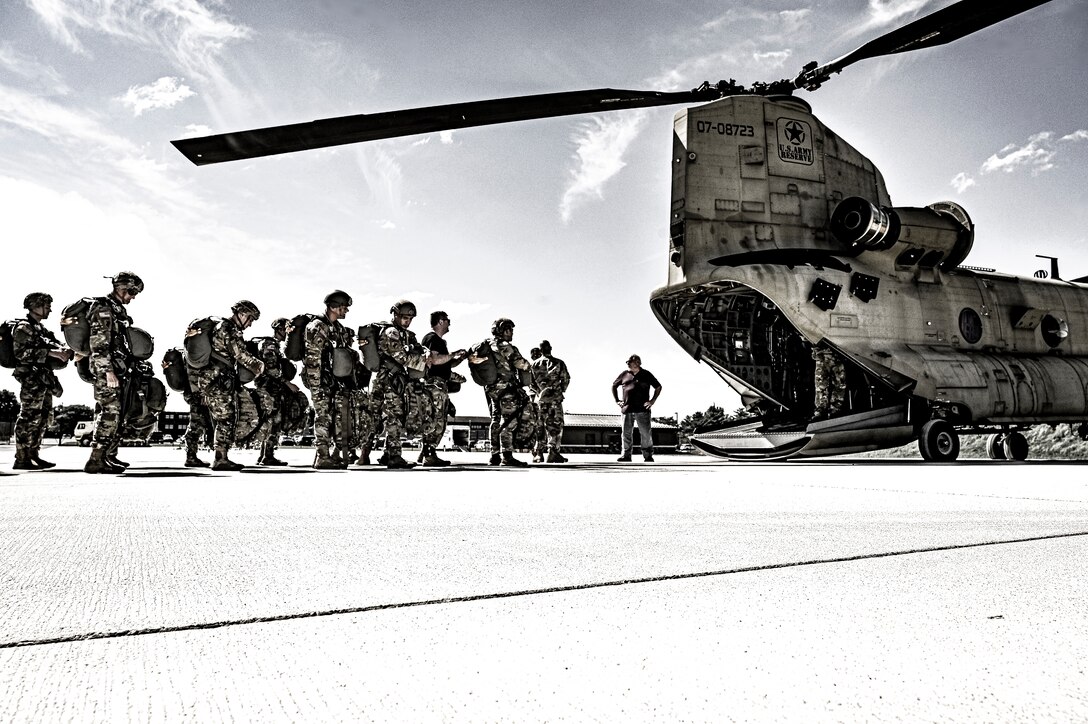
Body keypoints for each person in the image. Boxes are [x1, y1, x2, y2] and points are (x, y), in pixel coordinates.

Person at [187, 300, 266, 471]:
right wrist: (258, 366)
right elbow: (239, 354)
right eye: (250, 319)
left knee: (221, 417)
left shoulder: (223, 327)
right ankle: (220, 458)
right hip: (217, 380)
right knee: (225, 418)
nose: (250, 324)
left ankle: (219, 456)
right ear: (242, 314)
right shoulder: (229, 328)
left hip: (215, 379)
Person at [374, 300, 453, 469]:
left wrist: (424, 353)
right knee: (393, 415)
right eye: (404, 317)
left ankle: (388, 453)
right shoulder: (391, 333)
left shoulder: (407, 334)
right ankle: (394, 456)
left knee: (396, 415)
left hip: (398, 380)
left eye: (410, 318)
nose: (407, 321)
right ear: (395, 315)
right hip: (387, 379)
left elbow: (420, 347)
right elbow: (401, 357)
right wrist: (424, 362)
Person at [84, 271, 144, 474]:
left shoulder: (118, 311)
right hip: (106, 370)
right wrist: (108, 371)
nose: (133, 296)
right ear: (122, 288)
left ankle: (106, 456)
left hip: (117, 368)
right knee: (109, 413)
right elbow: (99, 344)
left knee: (116, 413)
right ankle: (95, 460)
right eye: (132, 291)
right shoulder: (104, 308)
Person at [11, 292, 72, 469]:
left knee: (42, 417)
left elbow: (56, 343)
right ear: (34, 306)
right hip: (30, 377)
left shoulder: (41, 330)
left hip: (43, 378)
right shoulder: (23, 327)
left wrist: (65, 350)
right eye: (46, 305)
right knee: (28, 416)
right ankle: (21, 458)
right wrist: (51, 353)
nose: (49, 309)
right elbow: (21, 354)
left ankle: (33, 454)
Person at [303, 290, 356, 469]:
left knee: (335, 416)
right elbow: (312, 358)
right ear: (333, 307)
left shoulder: (338, 329)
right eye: (343, 308)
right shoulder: (318, 326)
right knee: (323, 416)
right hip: (319, 379)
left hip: (334, 380)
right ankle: (322, 456)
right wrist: (316, 385)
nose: (346, 311)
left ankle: (333, 454)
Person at [473, 317, 532, 467]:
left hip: (492, 388)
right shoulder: (505, 346)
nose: (512, 332)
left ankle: (494, 455)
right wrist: (528, 365)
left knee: (496, 419)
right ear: (504, 330)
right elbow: (520, 363)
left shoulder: (488, 344)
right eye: (510, 329)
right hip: (506, 388)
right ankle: (507, 455)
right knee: (509, 419)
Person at [419, 310, 467, 467]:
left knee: (437, 418)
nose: (449, 323)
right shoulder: (432, 338)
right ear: (440, 322)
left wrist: (459, 358)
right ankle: (429, 454)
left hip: (439, 384)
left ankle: (426, 452)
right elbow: (434, 359)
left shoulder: (440, 342)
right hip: (434, 385)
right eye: (447, 320)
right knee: (437, 419)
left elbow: (446, 363)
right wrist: (453, 354)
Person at [253, 317, 301, 466]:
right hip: (269, 388)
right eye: (286, 330)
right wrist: (288, 384)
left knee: (270, 421)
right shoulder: (270, 345)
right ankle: (268, 455)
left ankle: (264, 455)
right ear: (280, 329)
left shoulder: (273, 346)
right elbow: (271, 369)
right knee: (274, 421)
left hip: (270, 387)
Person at [611, 354, 662, 462]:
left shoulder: (646, 374)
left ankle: (648, 455)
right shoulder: (624, 374)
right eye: (627, 362)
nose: (628, 363)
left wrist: (652, 401)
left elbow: (658, 386)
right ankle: (626, 455)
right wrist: (617, 400)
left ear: (637, 363)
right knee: (626, 433)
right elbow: (614, 385)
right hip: (627, 409)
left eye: (630, 361)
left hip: (642, 410)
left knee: (645, 434)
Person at [530, 340, 570, 464]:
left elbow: (530, 383)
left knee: (539, 426)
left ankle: (538, 453)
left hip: (540, 400)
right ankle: (553, 451)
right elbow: (566, 379)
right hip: (555, 399)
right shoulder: (559, 363)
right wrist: (559, 390)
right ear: (550, 348)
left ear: (540, 350)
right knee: (555, 425)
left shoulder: (534, 365)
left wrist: (539, 393)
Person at [812, 345, 846, 420]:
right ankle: (822, 409)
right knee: (821, 384)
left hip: (836, 353)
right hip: (823, 354)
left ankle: (834, 409)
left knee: (839, 383)